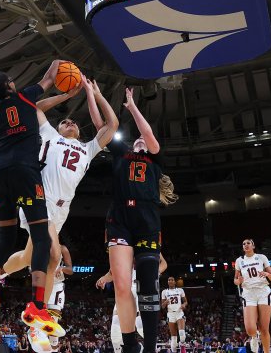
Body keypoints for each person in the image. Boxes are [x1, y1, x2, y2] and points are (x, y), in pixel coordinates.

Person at [3, 76, 118, 350]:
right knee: (53, 255)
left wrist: (97, 95)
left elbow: (112, 125)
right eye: (65, 121)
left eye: (74, 122)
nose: (70, 122)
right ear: (58, 127)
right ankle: (36, 319)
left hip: (60, 210)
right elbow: (34, 107)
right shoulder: (49, 135)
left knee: (29, 256)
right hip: (38, 199)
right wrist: (67, 95)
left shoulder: (88, 149)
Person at [0, 60, 64, 337]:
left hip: (0, 174)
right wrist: (63, 67)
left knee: (6, 238)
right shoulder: (26, 96)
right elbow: (51, 72)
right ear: (9, 85)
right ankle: (37, 305)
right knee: (41, 238)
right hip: (26, 174)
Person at [105, 87, 177, 353]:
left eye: (144, 142)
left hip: (147, 220)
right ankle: (130, 344)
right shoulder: (122, 154)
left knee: (148, 283)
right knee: (123, 287)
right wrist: (93, 95)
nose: (140, 141)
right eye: (137, 140)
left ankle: (149, 347)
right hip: (121, 217)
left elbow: (148, 134)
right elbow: (104, 126)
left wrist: (133, 106)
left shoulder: (155, 159)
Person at [97, 255, 168, 353]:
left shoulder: (147, 250)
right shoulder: (123, 249)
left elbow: (164, 264)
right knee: (115, 333)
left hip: (143, 291)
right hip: (124, 291)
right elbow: (112, 273)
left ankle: (150, 348)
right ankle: (135, 348)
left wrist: (156, 263)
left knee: (141, 326)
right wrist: (103, 279)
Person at [234, 239, 271, 353]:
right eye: (243, 244)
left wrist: (267, 274)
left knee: (264, 328)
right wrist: (239, 281)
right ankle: (254, 336)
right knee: (250, 329)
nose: (246, 245)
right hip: (248, 293)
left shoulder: (261, 257)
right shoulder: (239, 261)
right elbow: (235, 280)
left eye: (248, 243)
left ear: (253, 245)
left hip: (263, 291)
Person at [162, 276, 188, 352]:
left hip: (179, 313)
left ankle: (182, 344)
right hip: (170, 314)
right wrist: (165, 303)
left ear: (175, 282)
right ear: (167, 282)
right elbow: (162, 306)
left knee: (182, 333)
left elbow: (186, 301)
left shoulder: (180, 290)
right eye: (169, 280)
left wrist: (184, 305)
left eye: (172, 280)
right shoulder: (164, 292)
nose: (170, 281)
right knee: (173, 337)